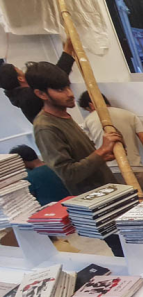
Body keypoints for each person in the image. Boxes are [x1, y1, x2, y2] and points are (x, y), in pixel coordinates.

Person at [25, 61, 125, 257]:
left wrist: (105, 154)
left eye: (68, 86)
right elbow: (67, 173)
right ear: (41, 94)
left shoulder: (65, 118)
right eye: (60, 89)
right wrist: (100, 152)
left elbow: (84, 159)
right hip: (96, 204)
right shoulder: (46, 127)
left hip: (110, 194)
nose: (70, 93)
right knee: (122, 249)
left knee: (134, 245)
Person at [79, 92, 143, 198]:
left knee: (124, 204)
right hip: (136, 168)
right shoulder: (129, 115)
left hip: (110, 172)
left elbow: (89, 147)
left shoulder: (88, 121)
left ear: (91, 105)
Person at [0, 40, 75, 122]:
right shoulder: (29, 96)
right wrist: (68, 50)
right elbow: (56, 79)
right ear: (21, 79)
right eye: (19, 70)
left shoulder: (20, 97)